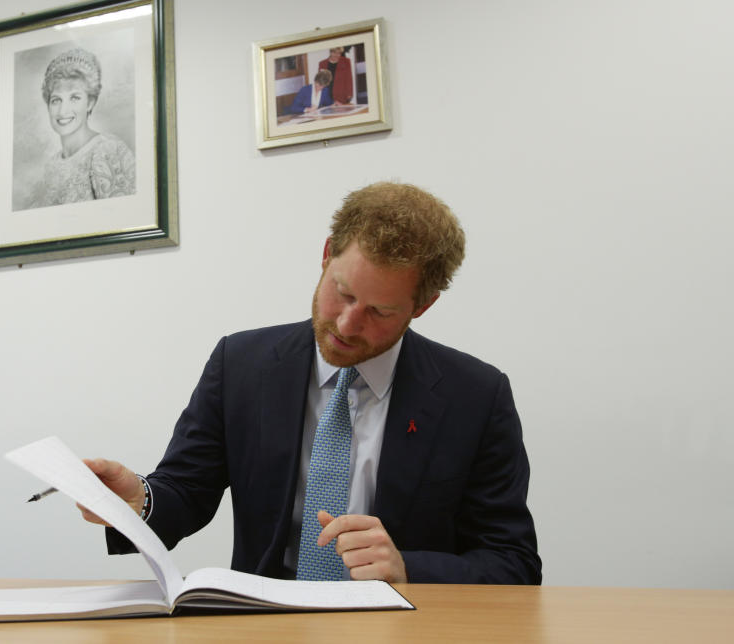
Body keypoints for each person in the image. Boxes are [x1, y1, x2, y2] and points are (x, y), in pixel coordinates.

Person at [79, 182, 541, 585]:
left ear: (422, 307)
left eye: (379, 312)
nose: (347, 323)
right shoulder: (241, 365)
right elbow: (186, 494)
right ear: (325, 256)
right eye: (342, 291)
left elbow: (512, 562)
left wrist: (408, 568)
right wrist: (137, 501)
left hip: (404, 624)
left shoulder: (476, 397)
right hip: (267, 621)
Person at [34, 48, 135, 208]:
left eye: (74, 98)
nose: (63, 111)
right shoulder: (51, 166)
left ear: (90, 102)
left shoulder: (108, 151)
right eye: (56, 100)